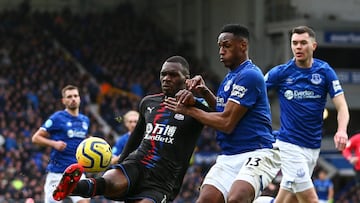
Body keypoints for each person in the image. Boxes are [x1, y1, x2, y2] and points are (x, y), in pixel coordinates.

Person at [52, 55, 210, 203]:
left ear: (186, 79)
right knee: (110, 182)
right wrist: (119, 166)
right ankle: (72, 187)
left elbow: (222, 118)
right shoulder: (149, 102)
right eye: (163, 74)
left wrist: (202, 94)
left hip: (163, 179)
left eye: (173, 75)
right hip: (138, 163)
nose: (166, 78)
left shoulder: (198, 106)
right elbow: (135, 138)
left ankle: (76, 187)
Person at [165, 24, 281, 203]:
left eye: (226, 46)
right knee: (206, 200)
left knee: (236, 198)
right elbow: (221, 111)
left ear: (243, 45)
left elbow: (226, 123)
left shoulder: (249, 75)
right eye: (220, 46)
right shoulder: (230, 77)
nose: (221, 51)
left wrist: (189, 110)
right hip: (229, 155)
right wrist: (203, 93)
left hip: (257, 152)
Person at [264, 25, 349, 203]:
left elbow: (342, 107)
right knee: (310, 199)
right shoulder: (281, 72)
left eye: (303, 43)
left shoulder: (325, 71)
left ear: (313, 46)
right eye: (294, 43)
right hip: (289, 144)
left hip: (313, 147)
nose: (298, 47)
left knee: (290, 198)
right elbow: (255, 91)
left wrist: (341, 130)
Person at [32, 85, 90, 203]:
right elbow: (35, 138)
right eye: (69, 96)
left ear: (80, 98)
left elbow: (80, 140)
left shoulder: (85, 120)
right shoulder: (57, 117)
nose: (73, 99)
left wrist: (89, 142)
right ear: (63, 101)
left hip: (77, 171)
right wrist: (54, 143)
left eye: (75, 96)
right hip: (57, 172)